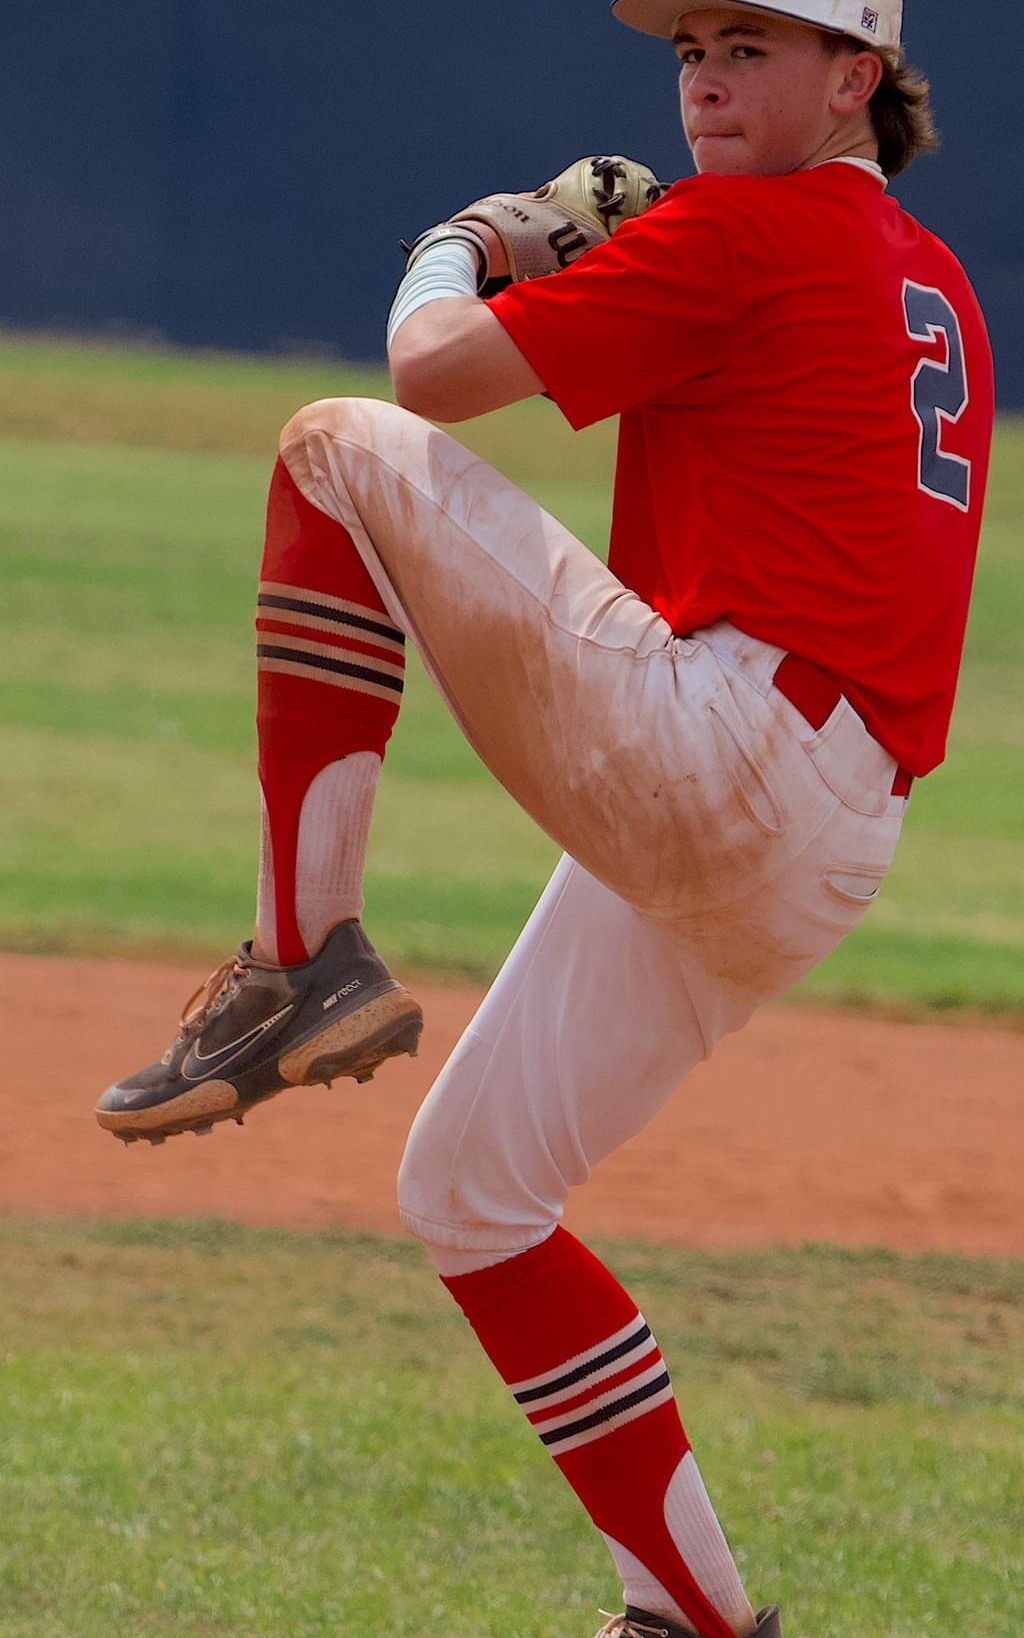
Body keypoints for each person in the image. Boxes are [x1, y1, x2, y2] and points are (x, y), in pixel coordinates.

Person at [97, 2, 993, 1633]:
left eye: (750, 46)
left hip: (731, 748)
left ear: (854, 78)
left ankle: (298, 958)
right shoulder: (934, 281)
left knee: (334, 449)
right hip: (830, 834)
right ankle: (692, 1614)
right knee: (472, 1190)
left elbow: (430, 372)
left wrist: (469, 240)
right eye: (691, 47)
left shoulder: (747, 229)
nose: (704, 75)